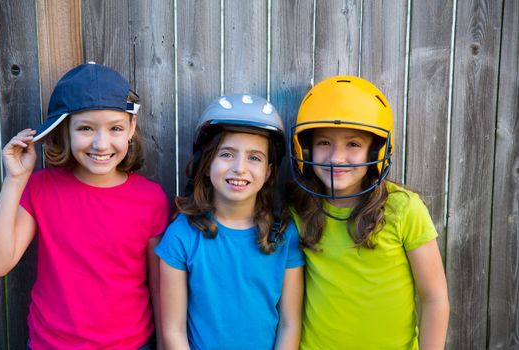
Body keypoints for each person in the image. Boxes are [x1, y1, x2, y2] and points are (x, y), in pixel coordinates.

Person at [0, 62, 169, 349]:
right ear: (66, 129)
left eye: (115, 128)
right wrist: (15, 179)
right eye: (86, 128)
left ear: (131, 127)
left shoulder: (151, 199)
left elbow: (160, 290)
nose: (101, 144)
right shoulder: (41, 189)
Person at [287, 76, 450, 350]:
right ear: (305, 149)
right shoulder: (300, 210)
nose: (337, 158)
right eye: (324, 142)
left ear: (376, 150)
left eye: (353, 144)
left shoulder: (403, 208)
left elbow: (435, 298)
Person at [155, 94, 305, 349]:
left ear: (268, 171)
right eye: (227, 154)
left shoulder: (284, 235)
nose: (239, 168)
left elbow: (290, 324)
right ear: (207, 161)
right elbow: (174, 331)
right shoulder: (181, 235)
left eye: (254, 158)